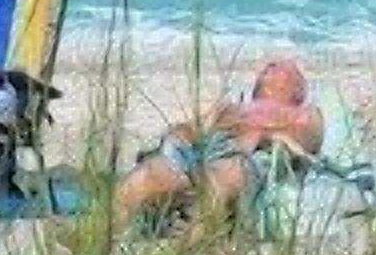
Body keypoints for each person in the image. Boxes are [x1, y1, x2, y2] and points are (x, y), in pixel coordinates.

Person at [115, 56, 326, 234]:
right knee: (148, 174)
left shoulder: (304, 114)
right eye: (268, 68)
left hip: (253, 154)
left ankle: (185, 241)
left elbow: (309, 140)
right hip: (210, 149)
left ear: (299, 90)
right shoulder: (230, 108)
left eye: (283, 68)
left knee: (226, 175)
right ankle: (105, 230)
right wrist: (176, 138)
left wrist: (267, 136)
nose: (270, 67)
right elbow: (192, 129)